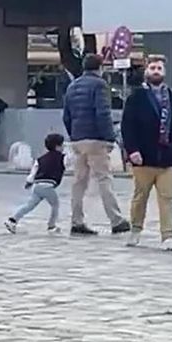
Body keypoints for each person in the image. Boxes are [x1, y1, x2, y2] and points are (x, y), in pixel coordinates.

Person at [121, 56, 172, 251]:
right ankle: (135, 229)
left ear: (164, 72)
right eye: (152, 68)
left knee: (167, 199)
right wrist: (132, 150)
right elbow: (127, 126)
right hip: (143, 158)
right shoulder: (136, 97)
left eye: (159, 68)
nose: (156, 71)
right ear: (146, 71)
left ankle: (168, 236)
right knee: (140, 197)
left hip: (169, 159)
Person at [62, 54, 130, 236]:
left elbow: (66, 115)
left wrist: (73, 135)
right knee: (104, 179)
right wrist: (109, 138)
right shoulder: (100, 85)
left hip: (78, 139)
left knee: (79, 182)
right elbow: (103, 113)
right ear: (100, 68)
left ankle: (76, 221)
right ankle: (116, 220)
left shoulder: (72, 86)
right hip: (96, 139)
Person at [4, 133, 66, 235]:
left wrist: (29, 182)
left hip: (37, 186)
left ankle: (12, 220)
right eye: (62, 144)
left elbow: (34, 171)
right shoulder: (62, 157)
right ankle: (51, 226)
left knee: (29, 205)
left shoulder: (40, 159)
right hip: (48, 186)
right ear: (57, 146)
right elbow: (68, 164)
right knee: (55, 205)